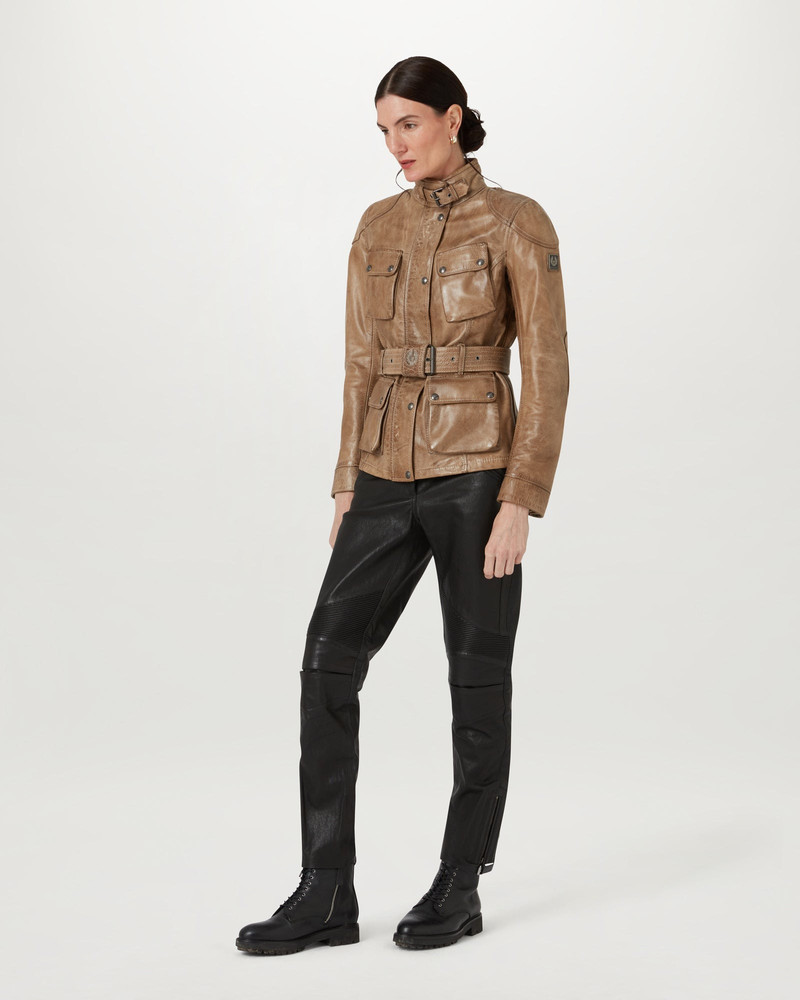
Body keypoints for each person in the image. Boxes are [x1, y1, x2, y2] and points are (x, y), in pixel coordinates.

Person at [236, 55, 569, 956]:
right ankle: (325, 890)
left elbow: (547, 368)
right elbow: (358, 361)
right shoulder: (377, 225)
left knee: (476, 675)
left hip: (478, 471)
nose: (396, 145)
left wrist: (521, 498)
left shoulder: (516, 220)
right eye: (385, 130)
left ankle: (461, 882)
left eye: (409, 124)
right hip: (385, 468)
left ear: (453, 118)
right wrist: (347, 479)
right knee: (326, 662)